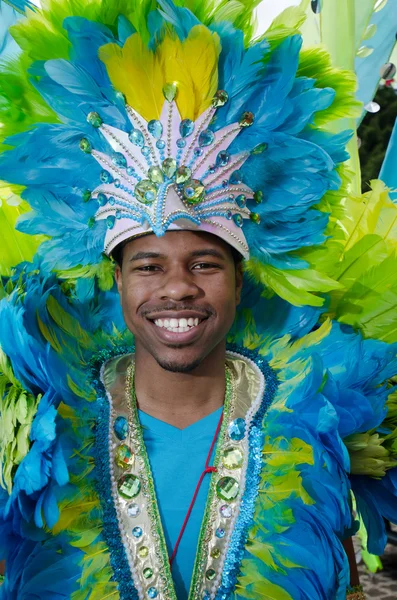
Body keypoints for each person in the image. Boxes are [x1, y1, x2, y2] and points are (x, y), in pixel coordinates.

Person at [0, 1, 397, 599]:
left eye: (204, 264)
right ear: (118, 282)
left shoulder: (313, 415)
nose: (177, 287)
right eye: (149, 266)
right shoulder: (46, 426)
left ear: (241, 282)